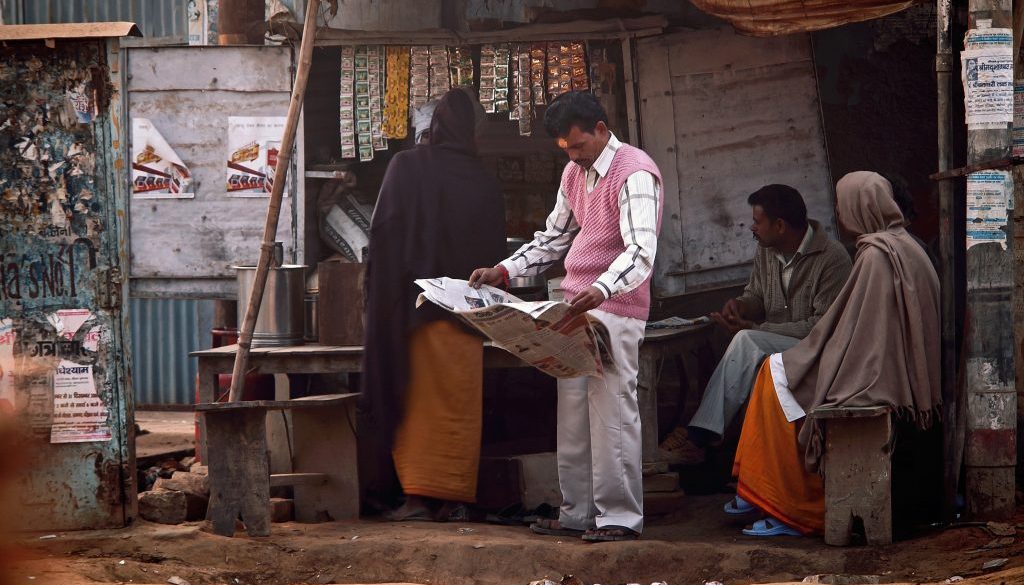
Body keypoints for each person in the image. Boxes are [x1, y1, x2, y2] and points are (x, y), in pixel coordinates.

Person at [469, 91, 663, 542]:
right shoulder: (575, 173)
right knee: (573, 414)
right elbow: (554, 237)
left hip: (614, 309)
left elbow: (641, 251)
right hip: (575, 307)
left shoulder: (634, 171)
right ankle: (578, 513)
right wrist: (506, 270)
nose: (572, 155)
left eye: (577, 145)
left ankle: (619, 518)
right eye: (564, 148)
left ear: (601, 127)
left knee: (613, 410)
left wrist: (601, 288)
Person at [728, 171, 940, 536]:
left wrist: (815, 353)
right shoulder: (903, 245)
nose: (839, 216)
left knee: (776, 377)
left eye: (842, 207)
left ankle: (792, 506)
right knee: (777, 370)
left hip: (874, 372)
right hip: (887, 363)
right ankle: (761, 488)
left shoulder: (875, 256)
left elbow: (851, 328)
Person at [361, 88, 507, 522]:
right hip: (466, 316)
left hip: (412, 313)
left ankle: (418, 499)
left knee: (416, 401)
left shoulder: (406, 166)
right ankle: (454, 498)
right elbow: (494, 251)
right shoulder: (483, 180)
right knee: (458, 406)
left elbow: (383, 234)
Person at [660, 185, 852, 465]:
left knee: (747, 341)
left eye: (757, 221)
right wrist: (741, 305)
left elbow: (821, 327)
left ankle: (698, 438)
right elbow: (757, 296)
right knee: (747, 344)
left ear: (780, 225)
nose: (752, 228)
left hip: (816, 350)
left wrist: (757, 330)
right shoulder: (767, 251)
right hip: (775, 345)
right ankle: (726, 455)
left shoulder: (832, 259)